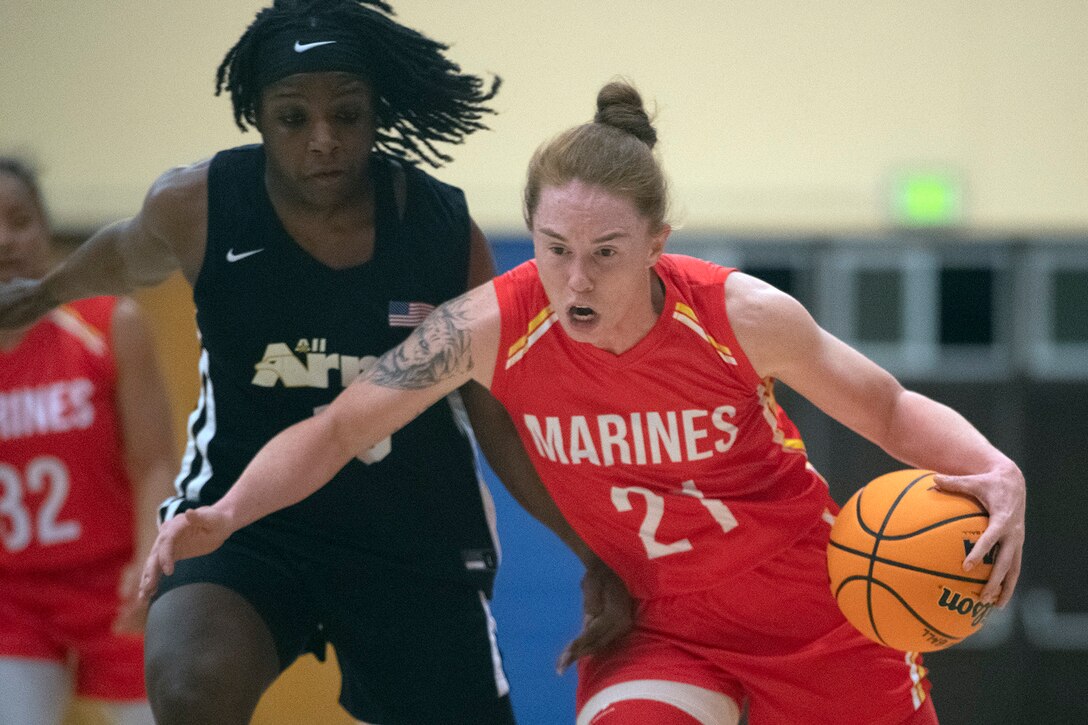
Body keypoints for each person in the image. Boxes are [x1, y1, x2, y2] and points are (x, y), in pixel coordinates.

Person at [138, 78, 1028, 725]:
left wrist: (991, 468)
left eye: (606, 251)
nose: (575, 276)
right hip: (661, 626)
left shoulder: (737, 314)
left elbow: (886, 407)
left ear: (657, 243)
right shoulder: (486, 327)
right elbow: (339, 427)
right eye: (555, 246)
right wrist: (224, 512)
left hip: (817, 616)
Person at [0, 3, 632, 724]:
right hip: (246, 520)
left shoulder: (441, 229)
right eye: (295, 118)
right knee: (189, 680)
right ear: (259, 118)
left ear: (377, 113)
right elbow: (124, 251)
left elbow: (500, 418)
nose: (324, 139)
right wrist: (44, 291)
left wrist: (591, 551)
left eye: (349, 114)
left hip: (412, 534)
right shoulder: (197, 205)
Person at [0, 157, 176, 725]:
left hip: (112, 580)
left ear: (46, 229)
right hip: (10, 595)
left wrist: (150, 557)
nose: (5, 240)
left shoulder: (108, 323)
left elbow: (154, 462)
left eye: (20, 220)